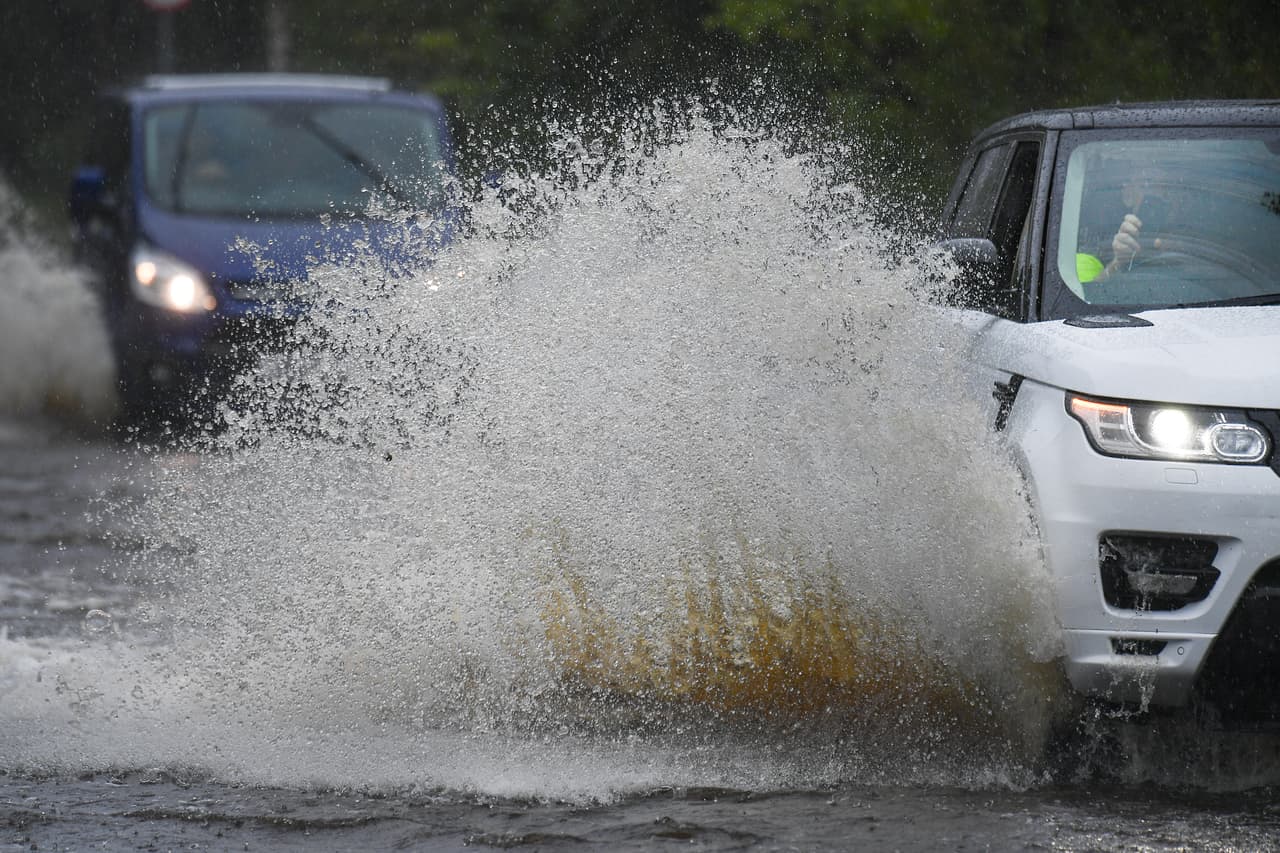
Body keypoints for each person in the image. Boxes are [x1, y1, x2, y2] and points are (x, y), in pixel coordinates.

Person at [1076, 167, 1170, 283]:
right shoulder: (1094, 252)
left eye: (1168, 190)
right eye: (1145, 186)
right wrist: (1118, 262)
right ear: (1128, 198)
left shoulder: (1194, 241)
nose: (1155, 206)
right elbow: (1090, 293)